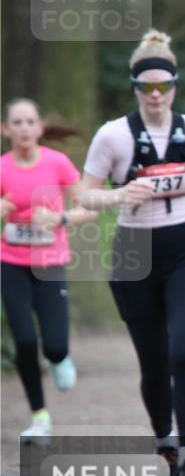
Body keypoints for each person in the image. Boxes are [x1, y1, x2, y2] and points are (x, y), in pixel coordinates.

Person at [79, 29, 185, 476]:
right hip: (134, 253)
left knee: (184, 351)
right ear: (135, 88)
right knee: (153, 360)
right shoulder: (113, 136)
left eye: (165, 85)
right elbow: (83, 195)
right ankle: (164, 441)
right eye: (147, 87)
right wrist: (119, 194)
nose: (157, 95)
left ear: (175, 84)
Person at [1, 99, 97, 443]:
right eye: (17, 122)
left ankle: (59, 358)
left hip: (50, 263)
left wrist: (60, 219)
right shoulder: (2, 168)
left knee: (54, 346)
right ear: (6, 129)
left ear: (40, 128)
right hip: (11, 263)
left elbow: (90, 209)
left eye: (30, 121)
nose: (24, 128)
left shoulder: (57, 164)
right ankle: (39, 417)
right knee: (25, 341)